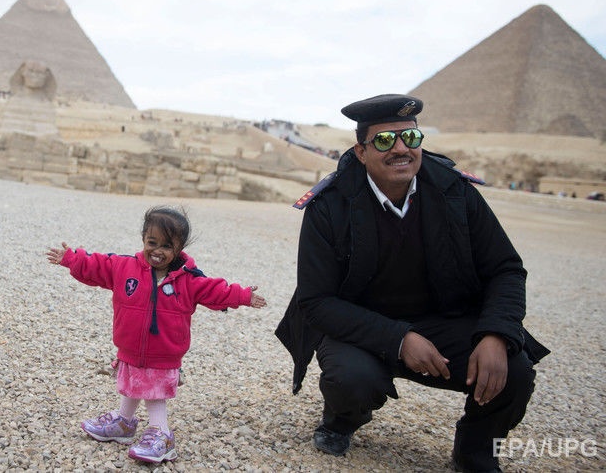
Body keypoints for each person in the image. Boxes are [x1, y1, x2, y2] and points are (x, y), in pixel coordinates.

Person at [275, 94, 549, 472]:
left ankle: (475, 449)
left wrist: (496, 333)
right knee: (351, 380)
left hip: (443, 321)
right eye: (385, 140)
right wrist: (399, 339)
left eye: (411, 137)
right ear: (361, 152)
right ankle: (342, 418)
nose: (401, 149)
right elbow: (317, 301)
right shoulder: (330, 205)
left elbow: (506, 269)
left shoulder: (455, 192)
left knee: (514, 368)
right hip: (360, 327)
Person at [47, 206, 267, 464]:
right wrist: (71, 259)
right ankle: (124, 422)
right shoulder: (124, 267)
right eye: (152, 243)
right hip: (130, 348)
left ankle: (162, 433)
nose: (158, 251)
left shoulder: (188, 280)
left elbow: (215, 291)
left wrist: (243, 296)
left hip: (164, 353)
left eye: (167, 246)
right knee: (133, 382)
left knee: (153, 391)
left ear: (179, 248)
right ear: (143, 239)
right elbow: (97, 265)